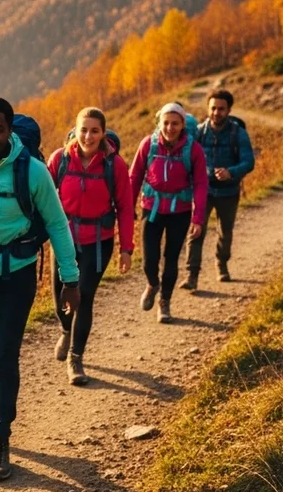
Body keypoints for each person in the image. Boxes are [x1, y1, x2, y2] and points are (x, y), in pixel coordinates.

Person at [0, 97, 78, 482]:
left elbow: (58, 225)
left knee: (5, 355)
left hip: (17, 276)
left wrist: (71, 279)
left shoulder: (33, 172)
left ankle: (0, 437)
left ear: (10, 131)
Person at [47, 107, 135, 384]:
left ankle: (76, 359)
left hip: (98, 241)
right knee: (60, 294)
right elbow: (43, 197)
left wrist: (126, 248)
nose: (88, 135)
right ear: (75, 130)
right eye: (84, 129)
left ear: (103, 133)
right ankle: (65, 330)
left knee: (83, 297)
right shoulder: (59, 160)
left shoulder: (115, 165)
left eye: (94, 130)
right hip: (63, 240)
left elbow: (125, 207)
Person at [129, 102, 208, 324]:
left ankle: (164, 303)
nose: (170, 127)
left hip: (180, 211)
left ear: (183, 124)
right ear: (159, 122)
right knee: (148, 260)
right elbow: (134, 176)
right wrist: (129, 208)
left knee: (171, 259)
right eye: (166, 122)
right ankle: (153, 284)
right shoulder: (149, 144)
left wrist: (198, 217)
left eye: (175, 123)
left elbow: (201, 184)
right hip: (151, 208)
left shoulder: (193, 150)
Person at [185, 89, 255, 289]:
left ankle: (221, 264)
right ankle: (192, 276)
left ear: (229, 110)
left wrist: (231, 172)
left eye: (221, 109)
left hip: (229, 192)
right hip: (202, 192)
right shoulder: (198, 132)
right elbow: (188, 160)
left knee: (225, 232)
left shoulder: (238, 133)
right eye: (213, 108)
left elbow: (249, 162)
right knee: (196, 231)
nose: (216, 112)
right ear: (208, 108)